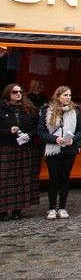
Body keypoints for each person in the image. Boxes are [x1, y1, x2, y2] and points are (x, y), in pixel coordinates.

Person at [36, 86, 81, 219]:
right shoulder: (47, 111)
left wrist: (73, 139)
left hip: (69, 148)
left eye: (69, 95)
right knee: (54, 178)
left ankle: (62, 207)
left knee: (65, 178)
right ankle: (51, 207)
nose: (68, 98)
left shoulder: (75, 111)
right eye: (65, 95)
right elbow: (40, 131)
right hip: (53, 148)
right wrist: (54, 139)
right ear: (58, 96)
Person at [0, 83, 41, 221]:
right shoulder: (1, 108)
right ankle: (3, 210)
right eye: (15, 92)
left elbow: (37, 127)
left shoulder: (29, 109)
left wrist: (29, 134)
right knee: (5, 180)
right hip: (7, 147)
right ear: (8, 94)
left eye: (20, 92)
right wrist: (7, 131)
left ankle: (18, 210)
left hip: (25, 148)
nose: (18, 94)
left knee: (22, 179)